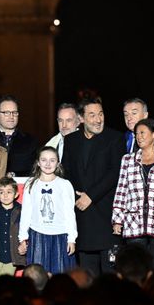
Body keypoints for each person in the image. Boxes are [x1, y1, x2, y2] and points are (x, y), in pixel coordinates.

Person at [62, 97, 123, 276]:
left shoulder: (115, 138)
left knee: (110, 276)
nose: (98, 119)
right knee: (88, 275)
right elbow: (66, 173)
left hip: (106, 217)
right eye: (92, 115)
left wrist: (90, 196)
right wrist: (75, 196)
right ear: (81, 118)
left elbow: (115, 172)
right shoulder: (71, 140)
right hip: (81, 217)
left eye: (101, 114)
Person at [112, 118, 154, 271]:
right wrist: (117, 219)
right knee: (136, 267)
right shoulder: (127, 160)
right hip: (133, 221)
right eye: (137, 134)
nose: (139, 136)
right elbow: (121, 190)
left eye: (143, 133)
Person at [19, 146, 77, 274]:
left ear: (58, 163)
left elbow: (69, 213)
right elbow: (26, 212)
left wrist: (71, 238)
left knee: (61, 275)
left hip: (60, 235)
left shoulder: (64, 184)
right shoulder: (30, 183)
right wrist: (23, 237)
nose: (48, 164)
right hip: (37, 235)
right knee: (37, 276)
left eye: (52, 160)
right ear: (38, 163)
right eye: (44, 160)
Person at [0, 95, 38, 177]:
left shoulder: (30, 141)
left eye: (14, 112)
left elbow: (34, 169)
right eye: (6, 113)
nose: (11, 116)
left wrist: (14, 175)